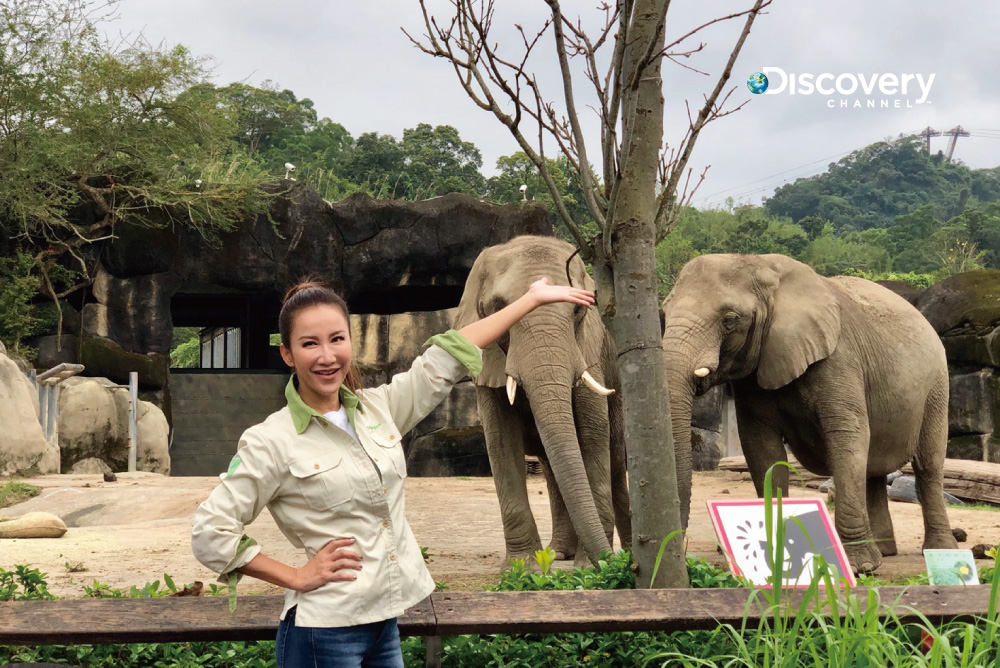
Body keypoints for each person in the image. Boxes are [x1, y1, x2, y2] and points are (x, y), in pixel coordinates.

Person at [191, 275, 595, 668]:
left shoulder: (379, 408)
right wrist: (295, 575)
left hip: (385, 625)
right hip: (324, 635)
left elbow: (449, 354)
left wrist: (531, 299)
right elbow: (211, 533)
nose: (327, 356)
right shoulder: (270, 440)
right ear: (288, 353)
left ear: (350, 340)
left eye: (337, 339)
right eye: (309, 344)